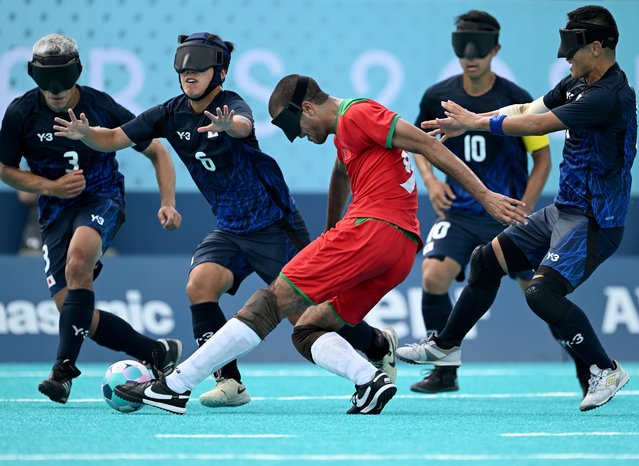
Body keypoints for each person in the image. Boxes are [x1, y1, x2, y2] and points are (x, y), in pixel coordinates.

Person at [111, 73, 528, 415]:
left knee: (272, 302)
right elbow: (342, 175)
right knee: (309, 327)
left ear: (308, 107)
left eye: (297, 127)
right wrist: (330, 229)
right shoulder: (348, 130)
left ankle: (175, 386)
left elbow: (427, 143)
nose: (299, 137)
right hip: (397, 249)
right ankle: (369, 381)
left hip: (373, 229)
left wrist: (486, 196)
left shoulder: (359, 113)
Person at [53, 33, 398, 409]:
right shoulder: (169, 113)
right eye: (184, 68)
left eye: (198, 68)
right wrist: (88, 136)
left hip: (273, 227)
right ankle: (230, 382)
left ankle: (377, 344)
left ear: (219, 72)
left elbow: (242, 126)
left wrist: (227, 126)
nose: (189, 75)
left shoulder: (232, 105)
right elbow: (117, 137)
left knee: (307, 316)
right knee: (199, 286)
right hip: (230, 229)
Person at [408, 5, 635, 412]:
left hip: (595, 219)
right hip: (564, 209)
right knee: (485, 261)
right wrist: (475, 118)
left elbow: (536, 126)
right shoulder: (577, 83)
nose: (565, 58)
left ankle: (605, 369)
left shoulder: (608, 97)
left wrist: (475, 124)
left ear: (598, 48)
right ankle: (444, 347)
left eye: (572, 49)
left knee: (541, 293)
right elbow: (526, 109)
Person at [0, 33, 183, 404]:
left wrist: (168, 201)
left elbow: (158, 151)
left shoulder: (100, 106)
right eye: (46, 85)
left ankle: (62, 371)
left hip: (102, 198)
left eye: (63, 84)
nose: (56, 93)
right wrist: (50, 187)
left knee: (79, 260)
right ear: (33, 76)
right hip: (54, 212)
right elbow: (4, 169)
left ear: (76, 74)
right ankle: (155, 353)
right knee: (73, 310)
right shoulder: (21, 113)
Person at [397, 10, 562, 394]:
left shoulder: (516, 99)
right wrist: (430, 182)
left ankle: (586, 366)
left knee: (540, 292)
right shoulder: (438, 96)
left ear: (496, 49)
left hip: (509, 217)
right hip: (460, 214)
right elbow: (419, 143)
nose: (471, 56)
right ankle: (444, 372)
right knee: (433, 275)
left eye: (481, 48)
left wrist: (525, 209)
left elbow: (542, 158)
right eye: (462, 47)